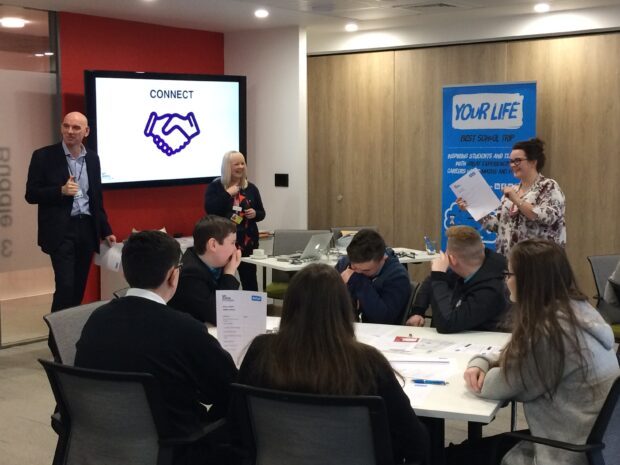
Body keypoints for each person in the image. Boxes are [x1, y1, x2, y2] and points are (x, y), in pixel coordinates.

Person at [236, 263, 430, 464]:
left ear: (289, 306)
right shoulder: (368, 363)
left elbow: (237, 426)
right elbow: (416, 444)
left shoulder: (262, 351)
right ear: (344, 308)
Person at [75, 230, 238, 465]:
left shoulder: (96, 319)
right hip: (175, 447)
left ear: (124, 271)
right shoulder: (185, 328)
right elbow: (228, 388)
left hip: (101, 440)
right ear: (173, 276)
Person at [461, 239, 619, 465]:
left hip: (563, 453)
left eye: (510, 274)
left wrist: (478, 365)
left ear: (529, 281)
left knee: (454, 456)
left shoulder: (550, 333)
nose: (506, 281)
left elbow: (497, 385)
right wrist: (483, 361)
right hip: (586, 444)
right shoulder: (579, 312)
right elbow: (518, 360)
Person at [25, 111, 116, 312]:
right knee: (65, 287)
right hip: (61, 231)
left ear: (86, 131)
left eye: (76, 128)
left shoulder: (92, 158)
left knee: (78, 289)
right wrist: (60, 191)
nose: (70, 131)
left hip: (86, 228)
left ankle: (68, 334)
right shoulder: (43, 156)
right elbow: (31, 194)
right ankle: (56, 341)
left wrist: (106, 230)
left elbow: (96, 198)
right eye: (66, 126)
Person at [457, 138, 565, 256]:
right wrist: (472, 207)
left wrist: (517, 200)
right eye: (511, 161)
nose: (513, 165)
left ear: (533, 162)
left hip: (539, 261)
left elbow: (547, 218)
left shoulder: (548, 186)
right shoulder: (512, 190)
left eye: (517, 160)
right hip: (510, 261)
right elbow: (497, 226)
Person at [405, 225, 509, 333]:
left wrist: (438, 275)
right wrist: (418, 312)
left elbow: (446, 324)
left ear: (452, 260)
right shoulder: (473, 263)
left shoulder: (491, 290)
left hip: (486, 343)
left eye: (446, 253)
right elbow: (431, 281)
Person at [204, 151, 265, 291]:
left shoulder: (251, 188)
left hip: (247, 242)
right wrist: (227, 194)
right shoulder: (216, 187)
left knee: (249, 280)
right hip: (223, 243)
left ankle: (252, 311)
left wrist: (255, 214)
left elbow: (262, 213)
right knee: (223, 281)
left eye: (243, 163)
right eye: (236, 164)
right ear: (227, 167)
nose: (240, 167)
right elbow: (210, 209)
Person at [168, 215, 242, 325]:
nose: (236, 249)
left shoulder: (217, 263)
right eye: (232, 243)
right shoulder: (189, 274)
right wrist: (229, 274)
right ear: (213, 245)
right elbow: (221, 315)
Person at [335, 229, 411, 324]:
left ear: (383, 258)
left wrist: (358, 282)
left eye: (366, 270)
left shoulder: (398, 277)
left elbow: (384, 318)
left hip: (381, 334)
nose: (357, 272)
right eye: (354, 267)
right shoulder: (346, 263)